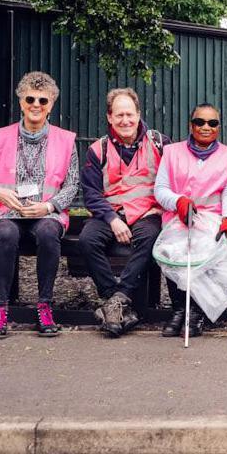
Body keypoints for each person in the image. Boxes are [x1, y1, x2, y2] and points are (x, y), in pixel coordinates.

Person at [0, 71, 79, 339]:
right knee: (6, 234)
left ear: (51, 104)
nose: (36, 105)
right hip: (4, 212)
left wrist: (49, 207)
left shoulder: (66, 140)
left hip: (45, 214)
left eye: (43, 100)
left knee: (48, 233)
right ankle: (1, 309)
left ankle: (44, 306)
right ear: (21, 101)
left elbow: (72, 185)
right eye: (30, 98)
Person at [79, 88, 171, 338]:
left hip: (147, 213)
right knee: (87, 241)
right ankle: (116, 301)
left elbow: (173, 179)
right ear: (109, 117)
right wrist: (111, 219)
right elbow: (91, 193)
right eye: (119, 115)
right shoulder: (98, 149)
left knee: (149, 239)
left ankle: (118, 299)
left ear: (139, 114)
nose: (125, 121)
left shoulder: (160, 143)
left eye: (130, 114)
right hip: (109, 213)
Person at [154, 103, 227, 338]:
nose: (206, 127)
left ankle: (196, 311)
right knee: (174, 249)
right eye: (200, 122)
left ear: (218, 127)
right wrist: (178, 202)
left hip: (212, 217)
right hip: (179, 216)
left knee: (206, 247)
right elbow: (161, 188)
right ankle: (180, 309)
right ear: (191, 125)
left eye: (212, 123)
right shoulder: (172, 152)